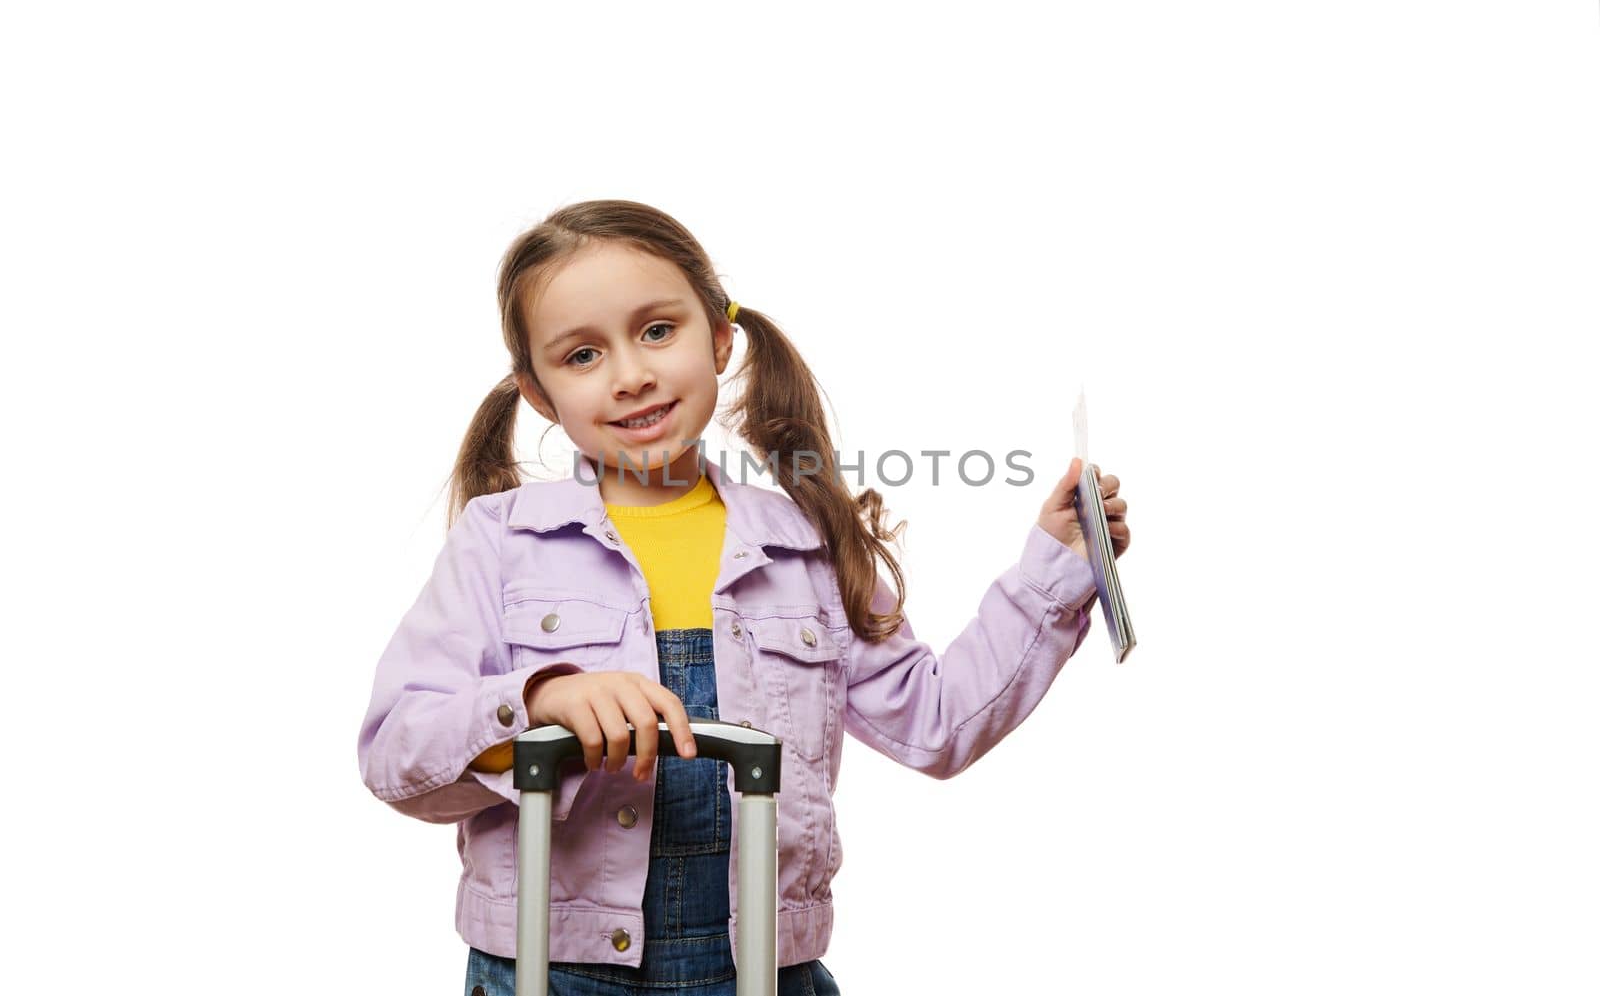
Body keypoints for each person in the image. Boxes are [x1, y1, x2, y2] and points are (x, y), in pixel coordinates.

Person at [356, 199, 1132, 996]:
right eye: (583, 355)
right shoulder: (501, 541)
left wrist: (1055, 571)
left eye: (658, 330)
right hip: (553, 971)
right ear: (541, 393)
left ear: (720, 338)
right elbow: (395, 755)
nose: (632, 375)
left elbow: (937, 722)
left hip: (761, 971)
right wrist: (540, 702)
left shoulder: (803, 543)